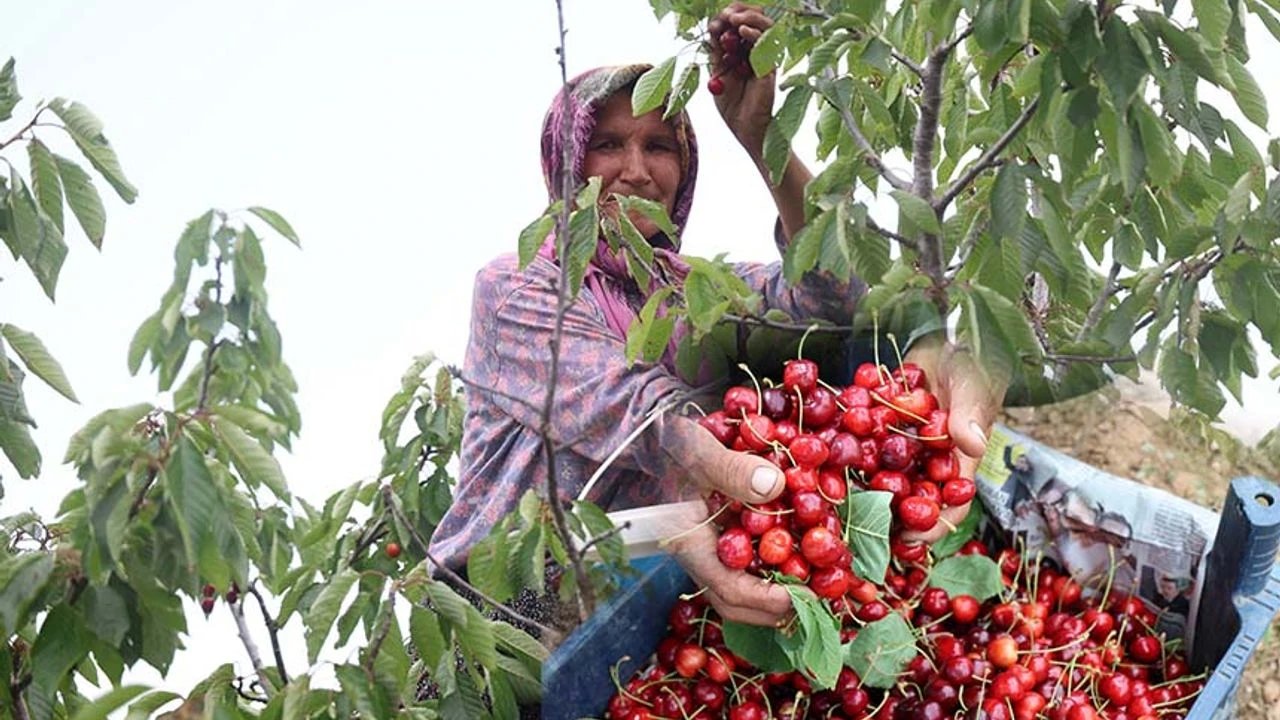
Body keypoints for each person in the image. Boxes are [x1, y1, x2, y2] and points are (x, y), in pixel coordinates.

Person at [428, 3, 1001, 628]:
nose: (638, 170)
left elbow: (834, 303)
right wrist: (745, 474)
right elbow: (638, 412)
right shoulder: (517, 286)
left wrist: (763, 139)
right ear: (565, 164)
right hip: (503, 612)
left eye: (660, 146)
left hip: (637, 613)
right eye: (607, 145)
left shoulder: (700, 292)